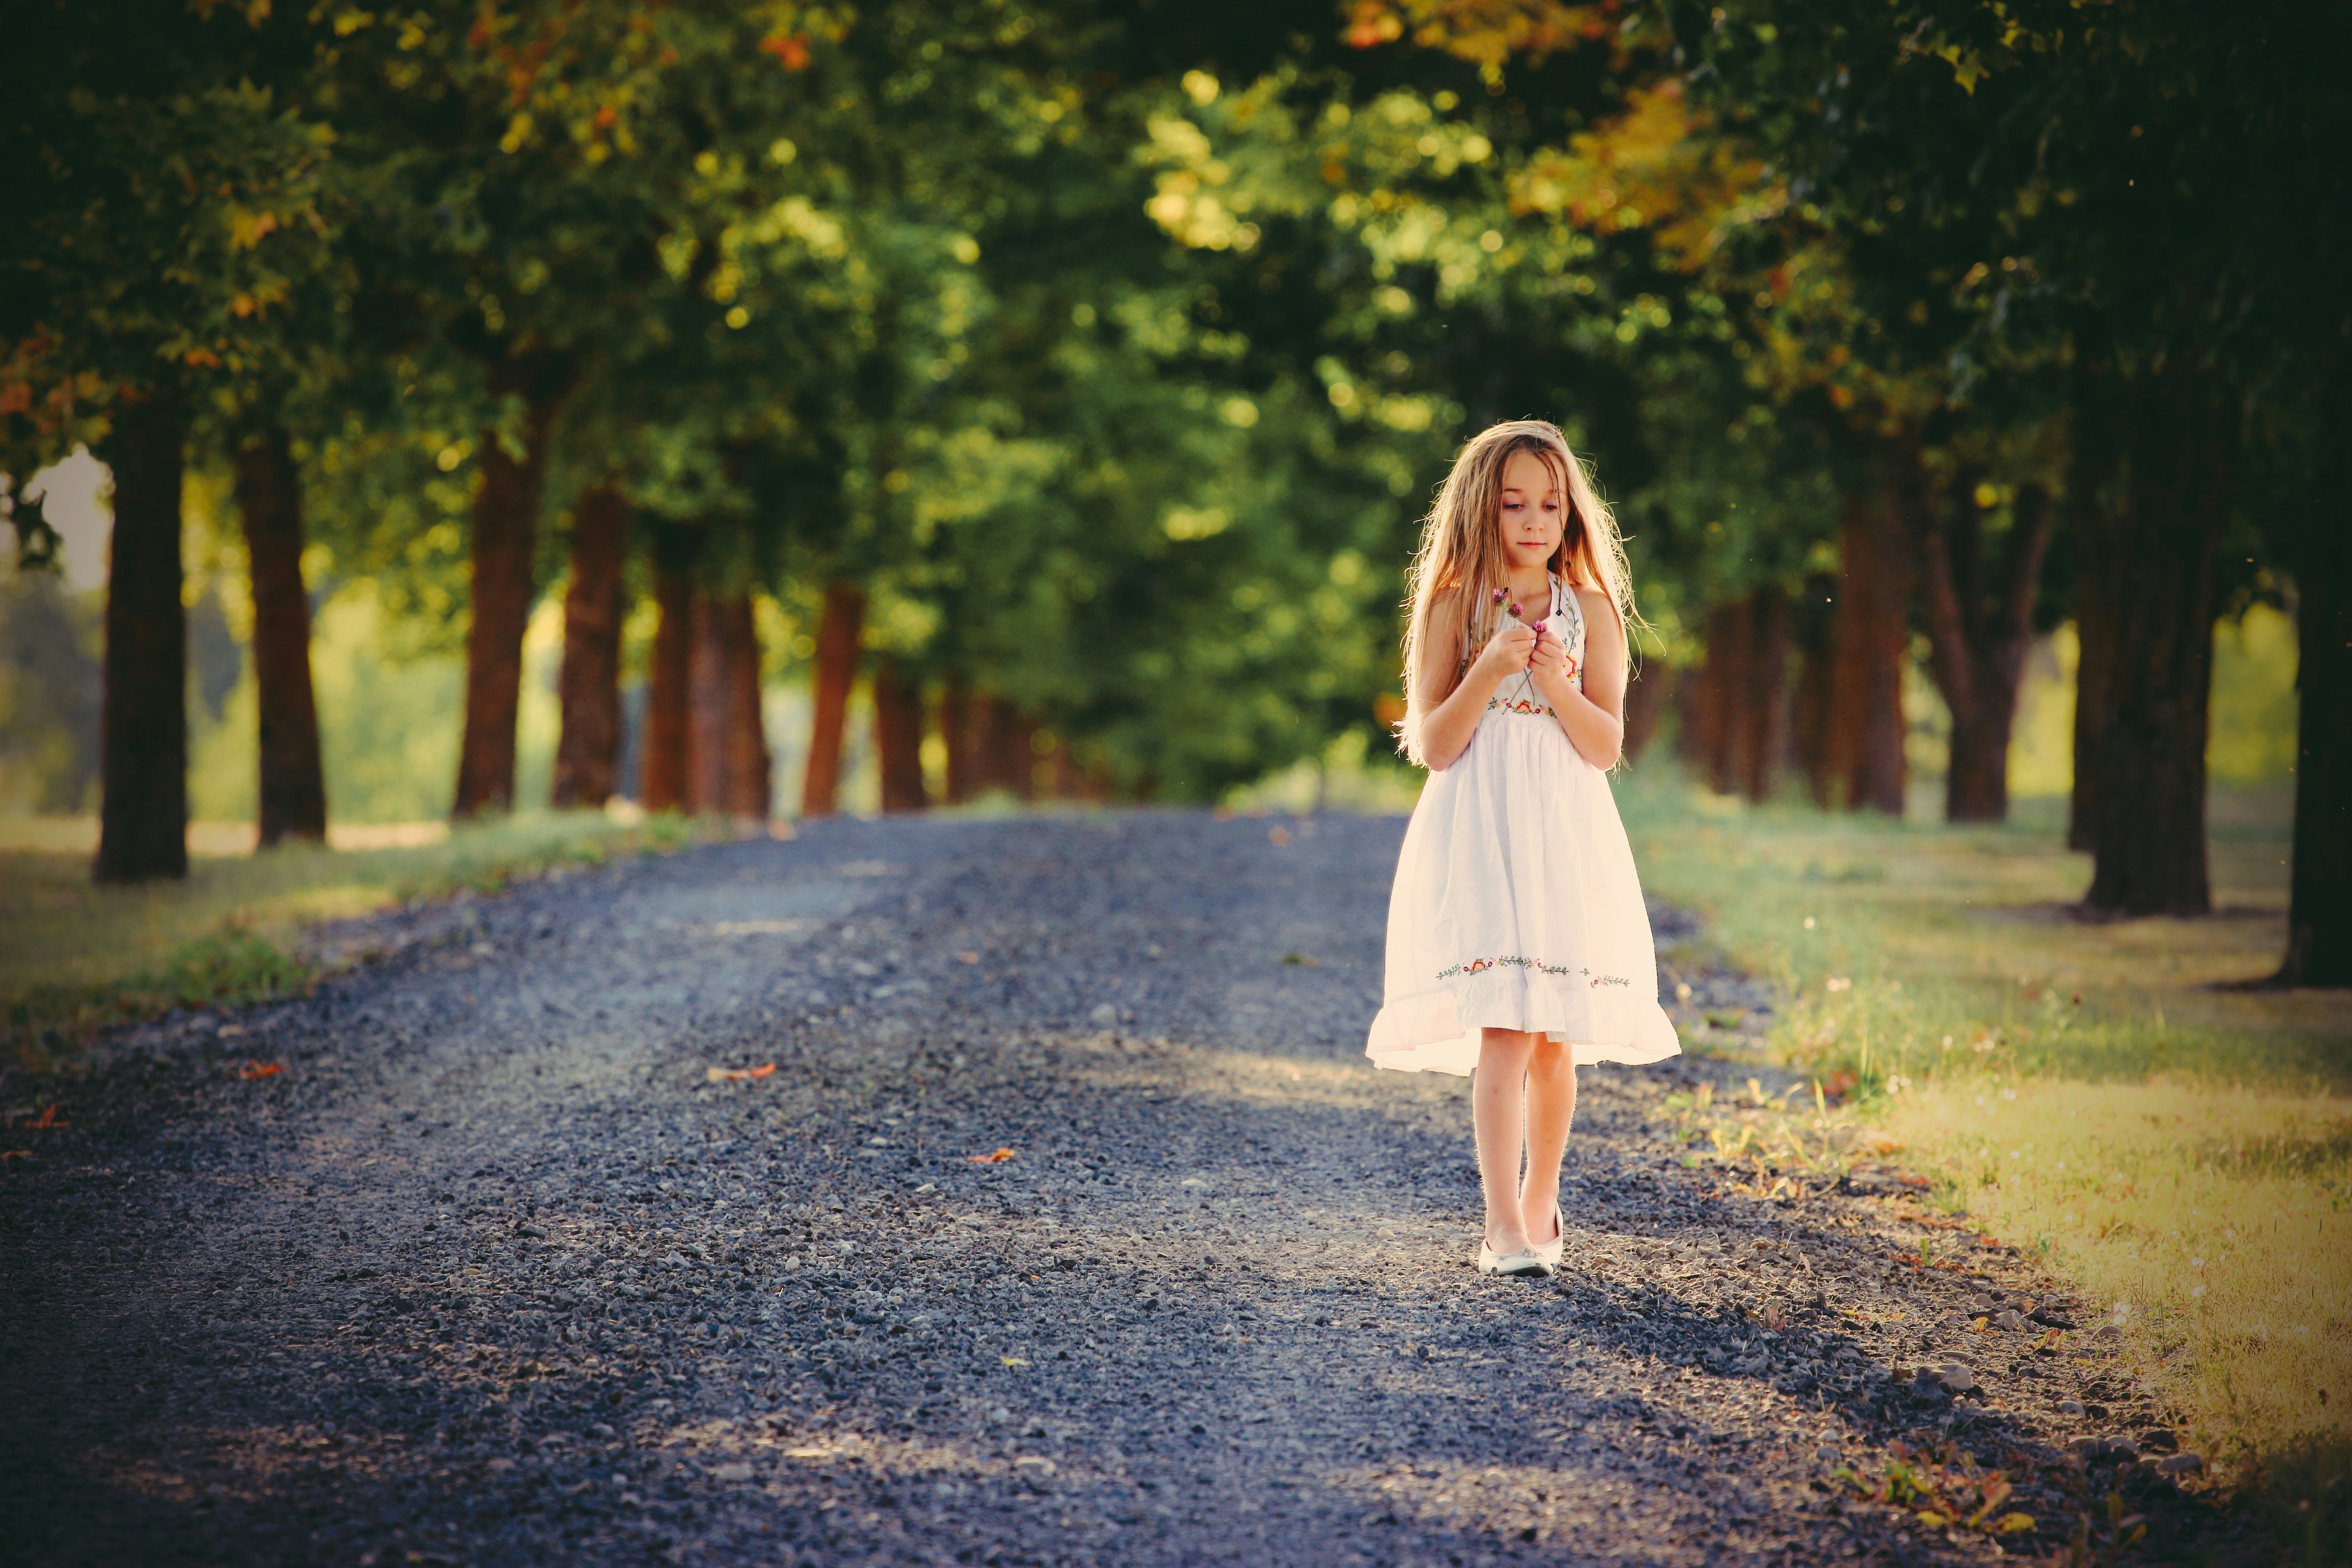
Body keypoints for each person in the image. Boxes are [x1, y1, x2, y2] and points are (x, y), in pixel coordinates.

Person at [1367, 420, 1681, 1279]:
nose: (1534, 521)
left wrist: (1552, 683)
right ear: (1482, 509)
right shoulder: (1454, 607)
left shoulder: (1592, 613)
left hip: (1565, 833)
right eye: (1514, 505)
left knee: (1552, 1036)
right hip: (1480, 829)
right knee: (1503, 1025)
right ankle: (1500, 1223)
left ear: (1571, 512)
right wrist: (1490, 671)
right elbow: (1433, 744)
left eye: (1550, 503)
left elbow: (1605, 746)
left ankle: (1542, 1196)